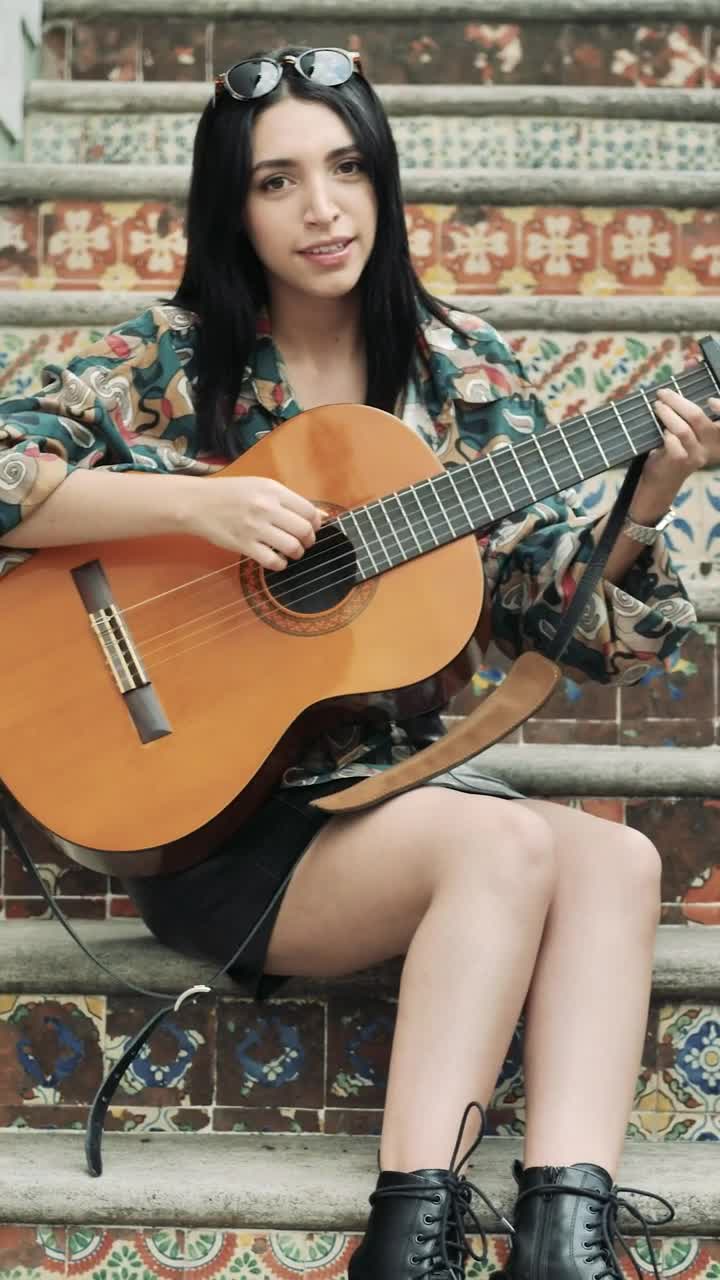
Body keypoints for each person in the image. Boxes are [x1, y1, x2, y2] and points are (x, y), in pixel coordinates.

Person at [1, 44, 718, 1280]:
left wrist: (642, 506)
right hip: (207, 808)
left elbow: (565, 628)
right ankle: (412, 1232)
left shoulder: (466, 373)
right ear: (231, 204)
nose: (322, 208)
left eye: (345, 168)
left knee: (621, 858)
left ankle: (567, 1236)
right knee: (506, 840)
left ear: (383, 182)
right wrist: (199, 513)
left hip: (389, 796)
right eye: (278, 181)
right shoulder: (169, 358)